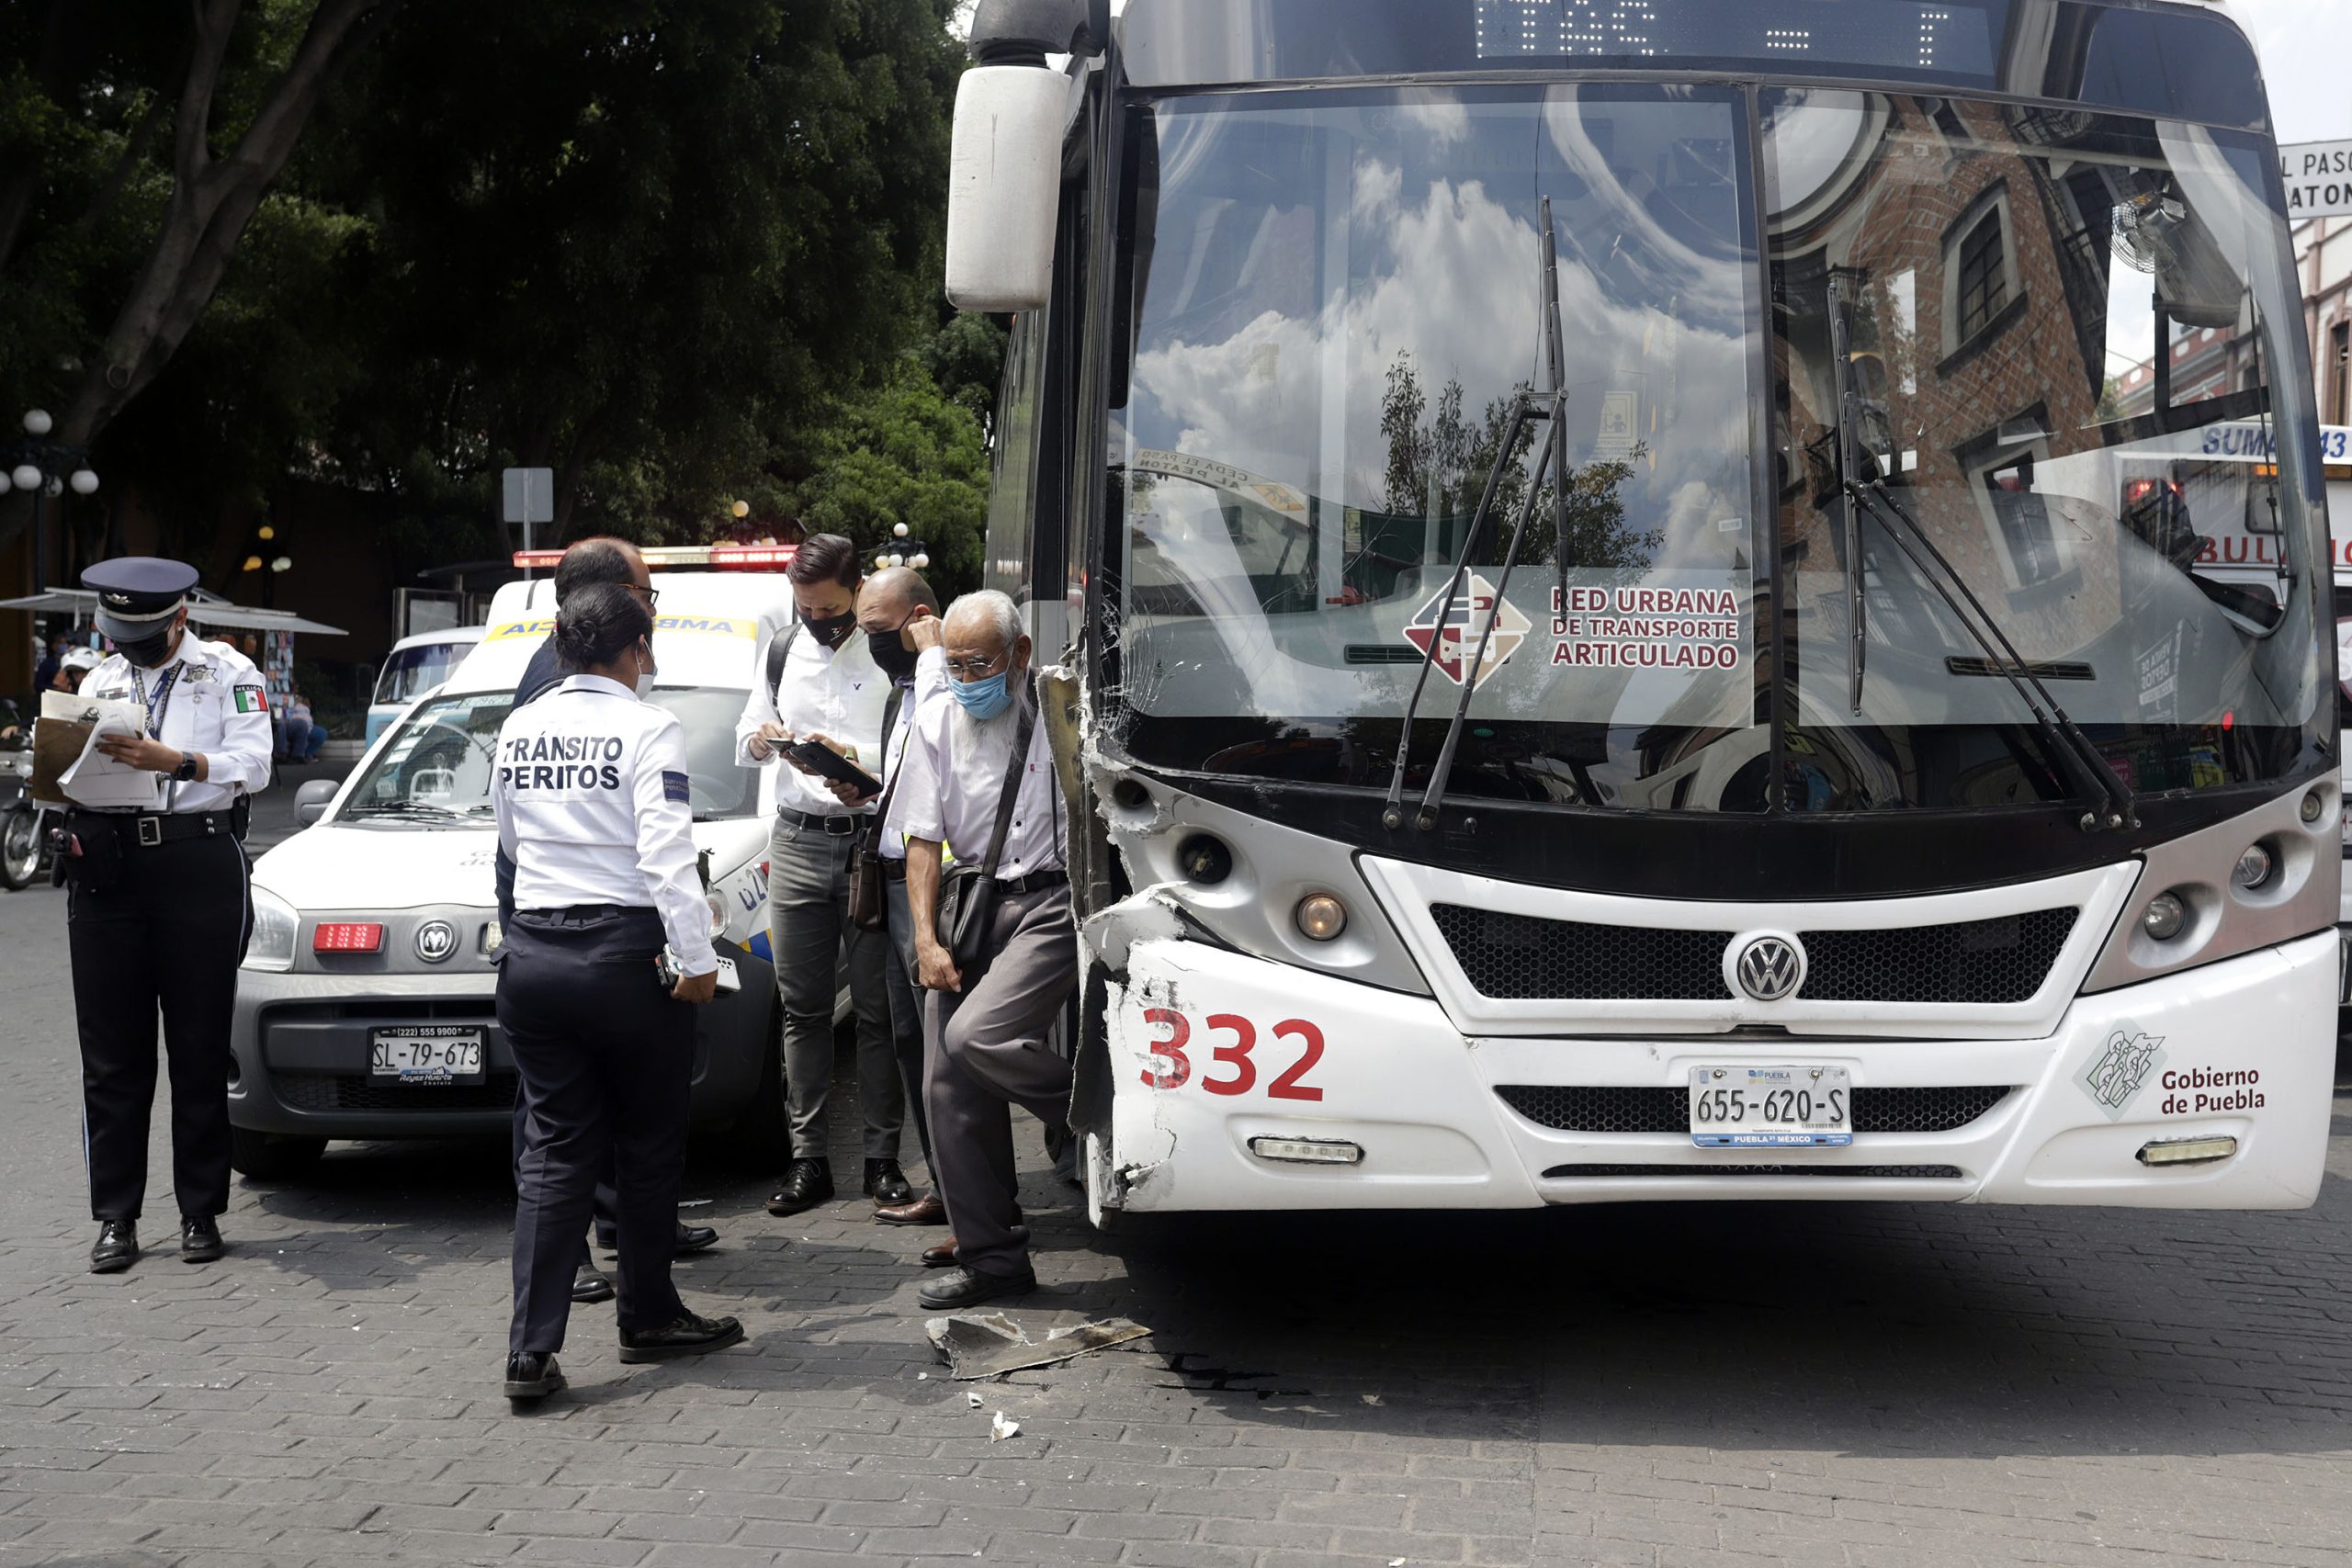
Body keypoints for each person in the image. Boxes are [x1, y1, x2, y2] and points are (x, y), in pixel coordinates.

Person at [492, 581, 744, 1403]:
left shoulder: (521, 725)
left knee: (557, 1151)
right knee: (644, 1146)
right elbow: (667, 855)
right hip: (623, 959)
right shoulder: (648, 726)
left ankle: (530, 1351)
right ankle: (648, 1315)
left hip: (534, 959)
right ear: (638, 649)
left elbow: (508, 839)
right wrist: (697, 956)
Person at [67, 558, 274, 1274]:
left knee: (197, 1043)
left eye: (144, 632)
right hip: (109, 869)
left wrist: (178, 761)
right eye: (119, 632)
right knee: (111, 1054)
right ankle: (116, 1217)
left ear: (179, 617)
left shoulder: (228, 673)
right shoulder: (100, 680)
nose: (130, 645)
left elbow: (256, 763)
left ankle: (200, 1210)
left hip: (196, 862)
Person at [899, 590, 1077, 1310]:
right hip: (974, 906)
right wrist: (925, 938)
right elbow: (920, 839)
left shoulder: (1062, 710)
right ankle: (995, 1259)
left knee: (980, 1036)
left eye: (981, 663)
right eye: (956, 663)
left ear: (1020, 655)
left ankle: (1093, 1105)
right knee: (948, 1083)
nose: (968, 677)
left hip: (1053, 902)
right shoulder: (938, 719)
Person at [734, 534, 907, 1219]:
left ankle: (882, 1160)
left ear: (857, 590)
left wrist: (853, 757)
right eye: (805, 609)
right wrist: (763, 739)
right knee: (801, 1010)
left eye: (831, 609)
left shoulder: (886, 647)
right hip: (798, 841)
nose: (818, 621)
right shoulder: (781, 646)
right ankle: (809, 1162)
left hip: (869, 843)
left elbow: (915, 743)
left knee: (875, 1011)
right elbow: (747, 734)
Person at [813, 567, 951, 1232]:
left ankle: (972, 1194)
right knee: (907, 1039)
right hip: (892, 877)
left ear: (919, 616)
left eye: (876, 629)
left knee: (944, 1041)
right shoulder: (903, 691)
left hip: (936, 886)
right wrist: (868, 788)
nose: (867, 641)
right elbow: (916, 778)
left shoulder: (951, 685)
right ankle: (946, 1182)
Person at [281, 691, 327, 763]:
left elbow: (307, 710)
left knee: (322, 733)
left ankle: (308, 753)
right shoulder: (281, 696)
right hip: (293, 725)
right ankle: (297, 755)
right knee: (301, 726)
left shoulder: (300, 698)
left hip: (309, 725)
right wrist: (292, 702)